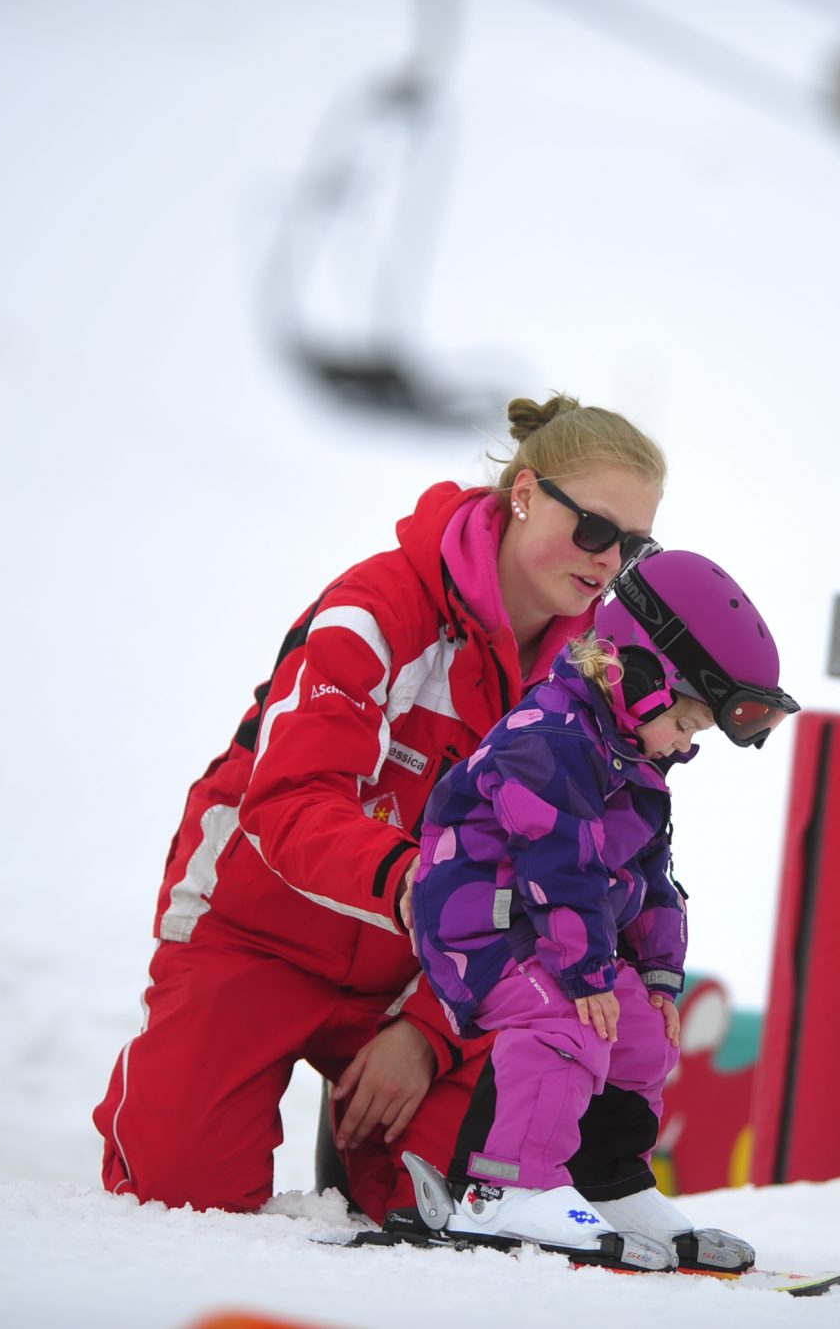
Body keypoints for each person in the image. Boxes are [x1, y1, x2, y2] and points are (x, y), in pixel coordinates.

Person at [92, 395, 666, 1223]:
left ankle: (373, 1149)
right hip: (257, 933)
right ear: (526, 494)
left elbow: (568, 875)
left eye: (634, 546)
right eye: (594, 530)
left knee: (465, 1212)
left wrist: (430, 1030)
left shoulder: (591, 678)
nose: (610, 561)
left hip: (422, 971)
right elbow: (288, 800)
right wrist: (414, 882)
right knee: (181, 1207)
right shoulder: (382, 605)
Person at [409, 549, 801, 1270]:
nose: (687, 745)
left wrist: (657, 975)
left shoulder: (634, 759)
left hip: (554, 931)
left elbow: (650, 874)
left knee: (641, 1029)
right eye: (686, 723)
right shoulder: (552, 738)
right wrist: (588, 971)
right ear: (644, 679)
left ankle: (606, 1181)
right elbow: (562, 867)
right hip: (483, 922)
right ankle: (506, 1189)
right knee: (566, 1014)